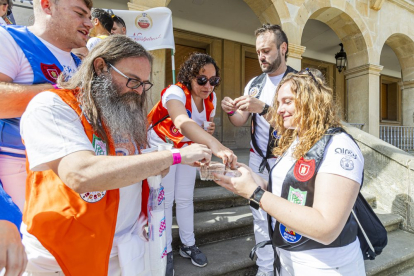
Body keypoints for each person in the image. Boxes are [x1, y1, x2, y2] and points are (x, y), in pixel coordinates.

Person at [20, 35, 212, 276]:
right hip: (63, 256)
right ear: (100, 67)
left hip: (123, 250)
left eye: (144, 83)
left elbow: (136, 162)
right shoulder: (52, 106)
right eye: (133, 81)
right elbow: (81, 173)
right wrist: (171, 157)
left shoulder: (123, 112)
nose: (140, 91)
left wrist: (167, 158)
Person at [215, 69, 365, 275]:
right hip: (287, 258)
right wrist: (246, 175)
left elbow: (326, 228)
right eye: (278, 103)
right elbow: (281, 190)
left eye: (287, 101)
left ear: (310, 100)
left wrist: (255, 194)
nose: (279, 110)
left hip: (325, 265)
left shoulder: (339, 146)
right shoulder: (295, 142)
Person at [148, 52, 237, 275]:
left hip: (187, 148)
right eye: (202, 79)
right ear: (190, 76)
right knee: (166, 200)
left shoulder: (211, 98)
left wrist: (208, 132)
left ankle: (188, 244)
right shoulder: (175, 92)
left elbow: (199, 127)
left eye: (214, 80)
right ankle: (165, 249)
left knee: (185, 197)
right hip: (163, 147)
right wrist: (216, 146)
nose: (209, 85)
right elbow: (182, 121)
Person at [0, 0, 93, 213]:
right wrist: (62, 92)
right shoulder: (9, 39)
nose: (89, 23)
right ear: (47, 6)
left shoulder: (79, 63)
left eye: (90, 16)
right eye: (80, 13)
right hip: (20, 177)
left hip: (68, 175)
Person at [220, 23, 296, 276]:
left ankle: (287, 269)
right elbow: (240, 121)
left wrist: (263, 108)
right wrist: (232, 109)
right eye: (258, 51)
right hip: (257, 160)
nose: (261, 57)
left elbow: (304, 124)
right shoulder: (254, 83)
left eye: (266, 50)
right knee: (259, 215)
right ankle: (265, 269)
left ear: (283, 48)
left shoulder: (300, 81)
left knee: (288, 216)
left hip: (289, 160)